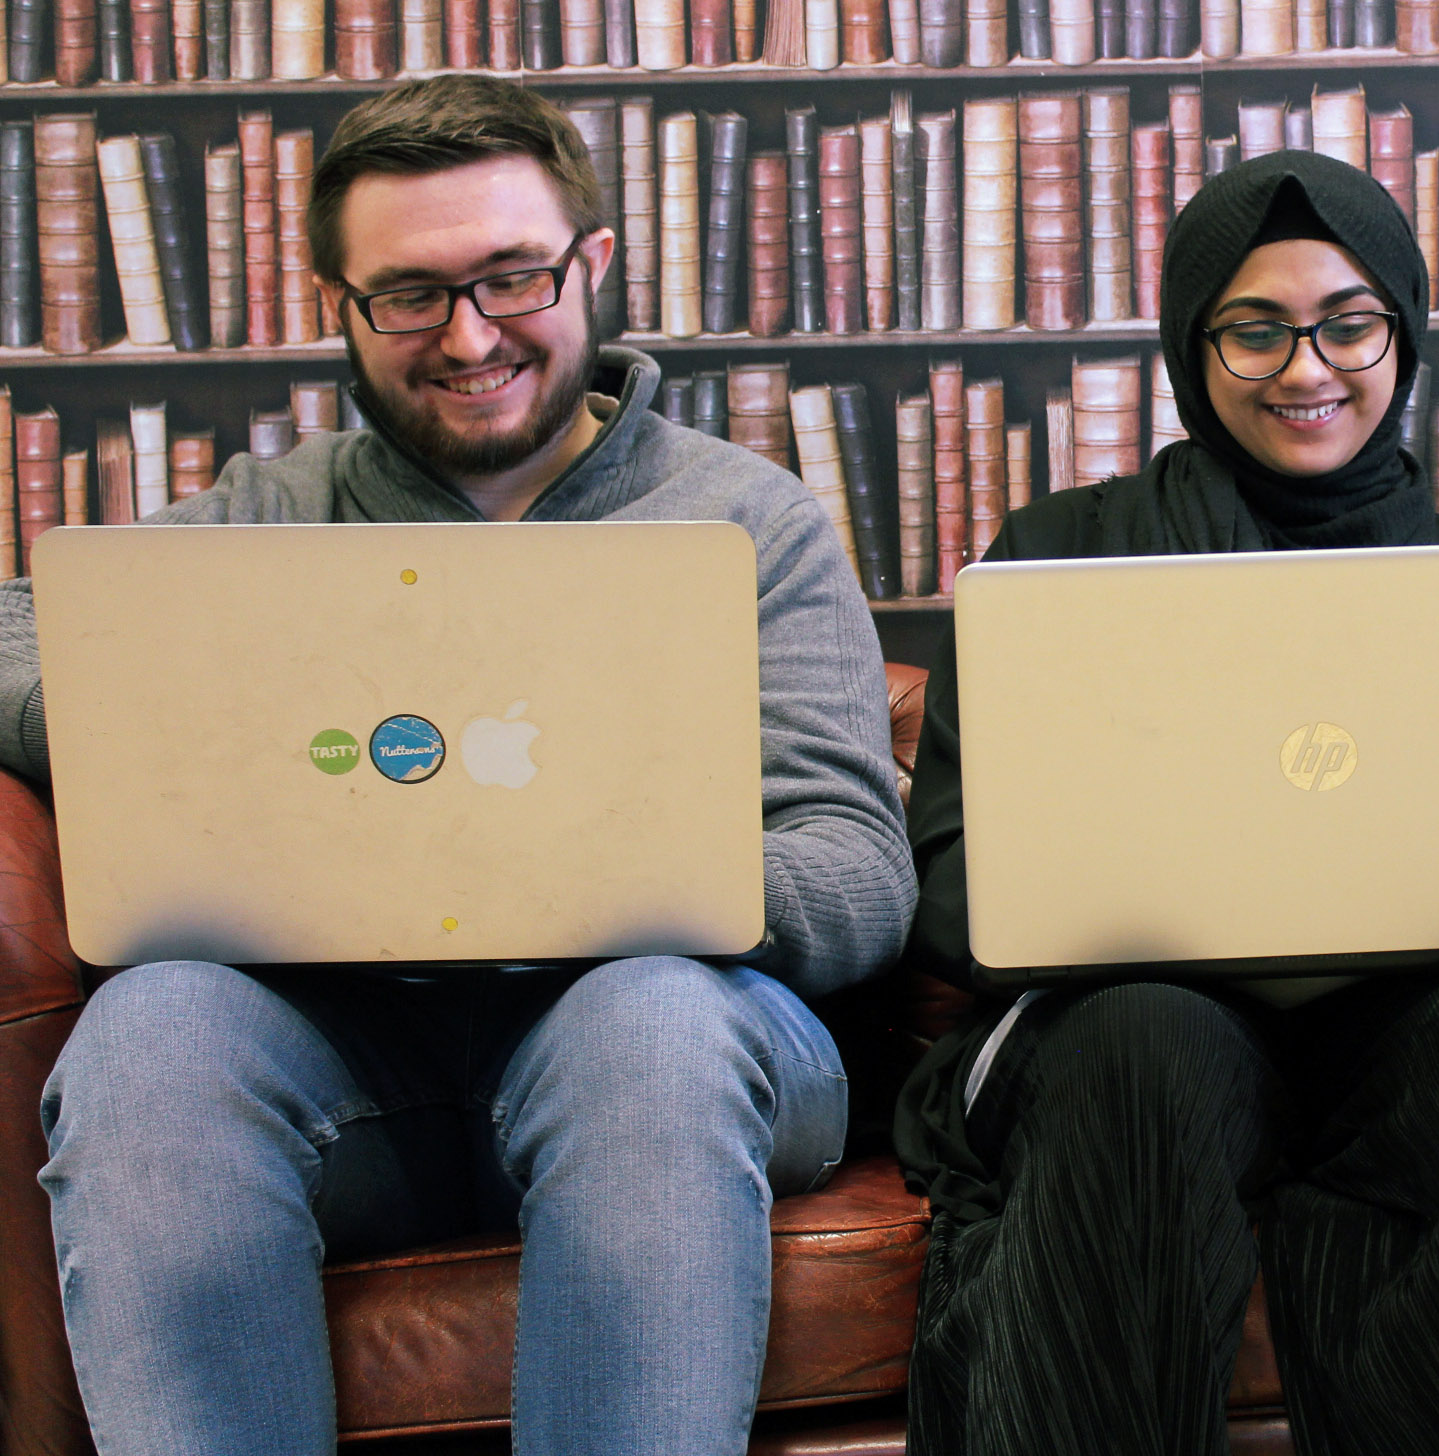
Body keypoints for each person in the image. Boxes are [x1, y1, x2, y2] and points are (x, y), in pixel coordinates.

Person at [17, 74, 917, 1456]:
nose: (471, 335)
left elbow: (856, 872)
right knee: (149, 1037)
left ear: (594, 264)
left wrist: (603, 881)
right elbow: (23, 634)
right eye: (412, 295)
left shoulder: (746, 519)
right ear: (343, 303)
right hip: (355, 1071)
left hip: (673, 1049)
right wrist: (192, 700)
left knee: (651, 1024)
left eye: (513, 277)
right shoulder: (266, 518)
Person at [895, 149, 1439, 1456]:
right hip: (1144, 1032)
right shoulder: (1058, 564)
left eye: (1349, 324)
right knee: (1144, 1035)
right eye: (1255, 329)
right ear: (1190, 347)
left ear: (1405, 332)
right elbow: (955, 883)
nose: (1308, 370)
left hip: (1416, 1045)